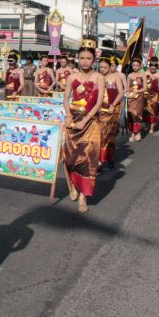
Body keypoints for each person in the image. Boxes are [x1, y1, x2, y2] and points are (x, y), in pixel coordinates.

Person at [62, 39, 106, 213]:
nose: (85, 61)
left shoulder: (99, 77)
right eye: (82, 58)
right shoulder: (71, 77)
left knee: (88, 159)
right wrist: (68, 116)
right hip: (74, 121)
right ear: (77, 59)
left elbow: (99, 103)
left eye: (88, 58)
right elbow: (66, 99)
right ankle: (72, 184)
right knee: (70, 158)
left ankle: (83, 196)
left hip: (91, 121)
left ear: (94, 59)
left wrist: (85, 120)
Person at [98, 57, 123, 168]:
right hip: (99, 110)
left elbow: (120, 93)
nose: (102, 69)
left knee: (110, 134)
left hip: (112, 109)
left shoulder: (115, 77)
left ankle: (109, 157)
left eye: (105, 67)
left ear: (109, 67)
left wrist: (113, 105)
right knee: (100, 134)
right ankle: (100, 159)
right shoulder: (97, 77)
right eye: (101, 67)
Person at [126, 57, 146, 142]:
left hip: (139, 98)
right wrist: (128, 93)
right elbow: (127, 87)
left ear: (140, 66)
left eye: (137, 65)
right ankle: (133, 133)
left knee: (137, 115)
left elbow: (145, 88)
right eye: (133, 65)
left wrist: (136, 91)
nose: (135, 67)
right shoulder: (129, 75)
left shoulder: (143, 75)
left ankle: (138, 132)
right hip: (131, 98)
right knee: (131, 115)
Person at [144, 58, 159, 135]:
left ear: (157, 67)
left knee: (153, 111)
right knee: (145, 110)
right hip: (145, 94)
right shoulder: (145, 73)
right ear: (149, 66)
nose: (153, 70)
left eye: (154, 69)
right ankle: (147, 124)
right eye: (151, 68)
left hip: (155, 95)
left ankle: (152, 127)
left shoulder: (158, 75)